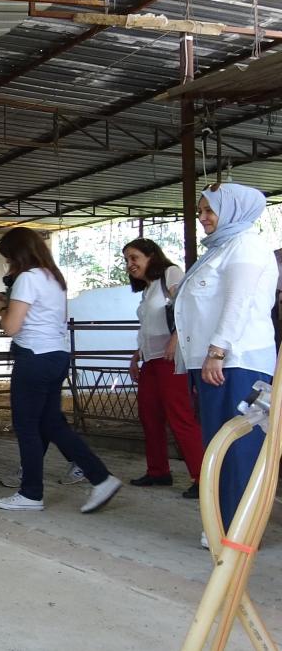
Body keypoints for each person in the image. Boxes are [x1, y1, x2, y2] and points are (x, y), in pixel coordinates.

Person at [0, 227, 121, 512]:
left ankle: (31, 493)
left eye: (9, 257)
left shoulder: (27, 278)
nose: (8, 263)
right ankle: (101, 478)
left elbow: (11, 326)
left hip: (33, 357)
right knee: (51, 423)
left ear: (18, 254)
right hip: (56, 355)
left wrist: (1, 309)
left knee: (27, 426)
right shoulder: (53, 278)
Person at [174, 182, 278, 535]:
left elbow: (239, 301)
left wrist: (217, 351)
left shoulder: (246, 245)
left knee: (238, 446)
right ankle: (221, 523)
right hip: (216, 362)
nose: (202, 218)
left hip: (237, 362)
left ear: (233, 211)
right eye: (200, 211)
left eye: (209, 210)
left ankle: (239, 529)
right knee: (218, 445)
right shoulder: (222, 248)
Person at [123, 238, 204, 498]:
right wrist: (137, 355)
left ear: (151, 256)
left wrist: (176, 339)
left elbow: (186, 308)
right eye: (127, 260)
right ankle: (158, 471)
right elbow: (148, 327)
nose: (130, 264)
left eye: (134, 258)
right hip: (152, 360)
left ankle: (203, 477)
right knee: (149, 415)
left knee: (180, 416)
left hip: (172, 358)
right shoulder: (148, 289)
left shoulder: (171, 273)